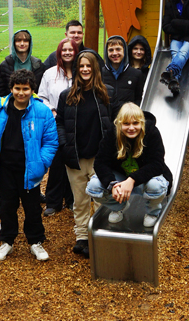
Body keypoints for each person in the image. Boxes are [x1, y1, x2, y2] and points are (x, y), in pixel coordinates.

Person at [0, 70, 58, 262]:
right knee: (7, 206)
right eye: (17, 88)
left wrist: (42, 164)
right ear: (11, 89)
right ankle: (7, 240)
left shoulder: (42, 111)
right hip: (6, 167)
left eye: (26, 89)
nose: (21, 93)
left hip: (29, 169)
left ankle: (35, 241)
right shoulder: (0, 109)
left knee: (32, 207)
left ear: (32, 90)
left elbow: (50, 142)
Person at [57, 50, 114, 257]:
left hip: (99, 159)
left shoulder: (106, 93)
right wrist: (65, 145)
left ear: (95, 68)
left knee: (100, 198)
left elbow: (115, 123)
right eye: (81, 66)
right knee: (80, 200)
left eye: (88, 65)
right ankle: (81, 236)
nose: (85, 69)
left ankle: (98, 234)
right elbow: (60, 123)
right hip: (76, 157)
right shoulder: (67, 96)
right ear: (77, 69)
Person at [86, 103, 172, 228]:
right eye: (126, 124)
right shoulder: (112, 133)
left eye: (135, 123)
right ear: (120, 124)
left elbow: (157, 163)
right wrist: (111, 184)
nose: (131, 128)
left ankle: (152, 212)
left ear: (141, 123)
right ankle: (119, 206)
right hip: (120, 177)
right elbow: (100, 161)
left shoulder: (151, 132)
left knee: (156, 186)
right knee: (93, 187)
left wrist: (132, 180)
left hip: (145, 179)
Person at [38, 38, 76, 216]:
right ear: (59, 52)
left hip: (76, 124)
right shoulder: (50, 73)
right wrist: (51, 110)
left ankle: (71, 199)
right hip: (55, 123)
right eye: (64, 50)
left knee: (74, 162)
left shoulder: (81, 72)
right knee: (57, 161)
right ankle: (53, 202)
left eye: (71, 49)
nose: (67, 53)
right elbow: (41, 97)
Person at [0, 29, 45, 97]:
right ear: (14, 43)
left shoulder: (38, 66)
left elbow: (43, 90)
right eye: (18, 40)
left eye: (25, 41)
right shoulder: (4, 66)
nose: (22, 44)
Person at [102, 35, 144, 110]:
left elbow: (138, 99)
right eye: (111, 50)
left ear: (124, 51)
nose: (114, 53)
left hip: (127, 118)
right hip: (107, 118)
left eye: (118, 49)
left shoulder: (136, 74)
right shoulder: (100, 73)